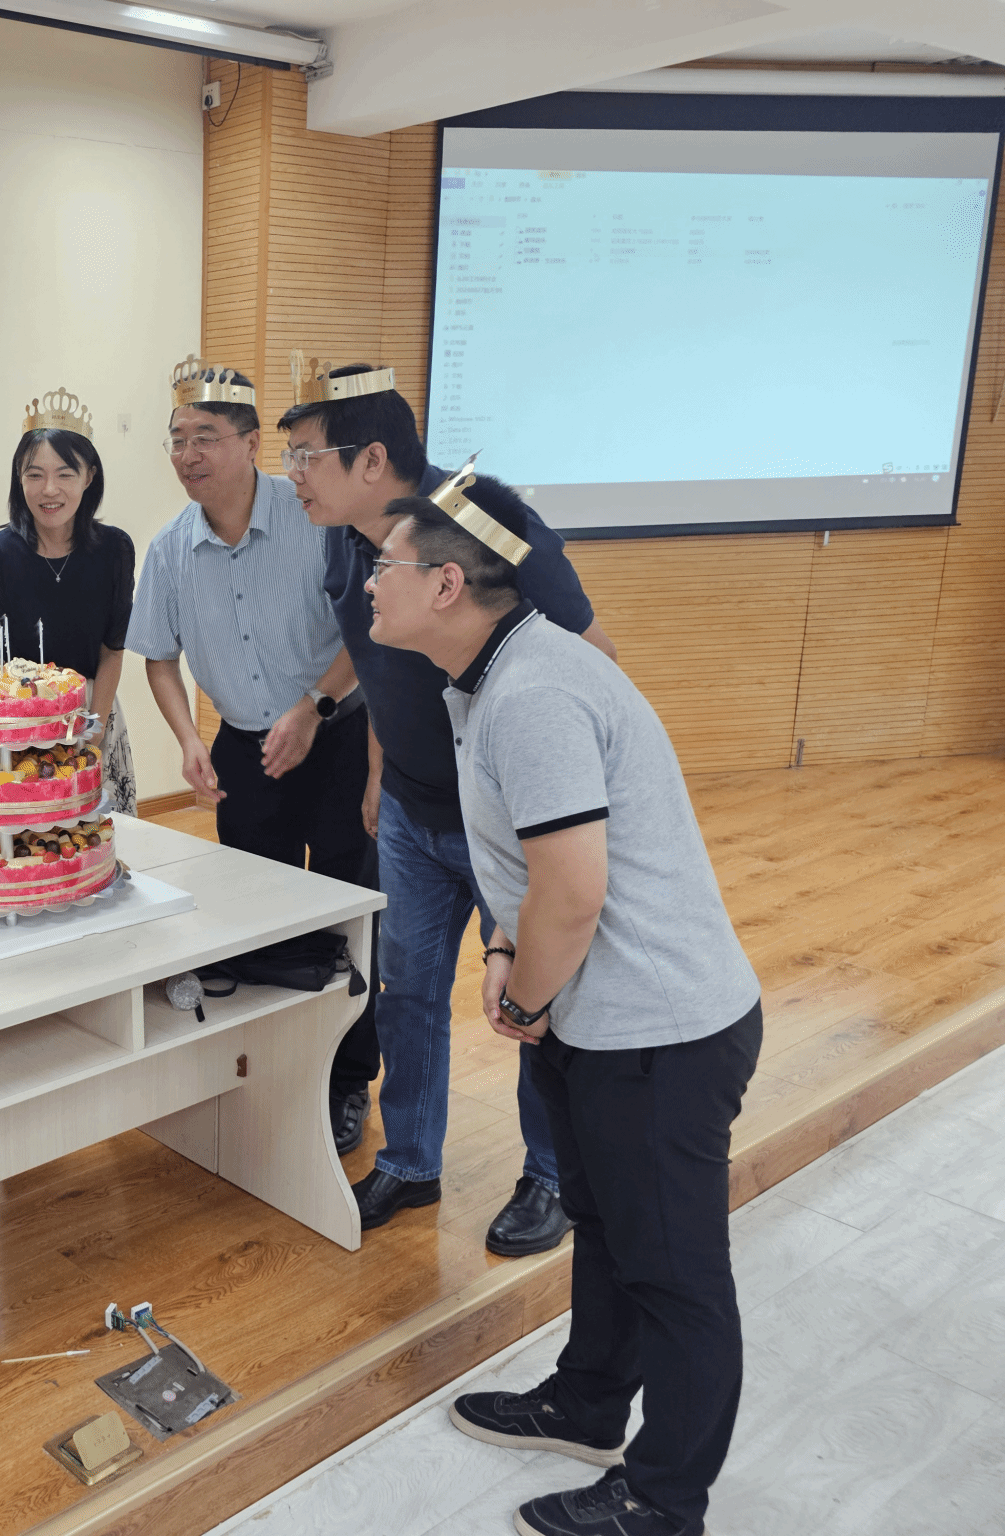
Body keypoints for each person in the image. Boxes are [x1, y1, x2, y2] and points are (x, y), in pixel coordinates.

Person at [367, 490, 762, 1536]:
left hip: (660, 1031)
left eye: (386, 565)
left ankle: (662, 1500)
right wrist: (506, 950)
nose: (368, 582)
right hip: (596, 1019)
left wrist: (524, 996)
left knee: (673, 1274)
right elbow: (527, 864)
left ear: (445, 585)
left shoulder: (533, 692)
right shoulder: (492, 675)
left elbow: (576, 890)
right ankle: (586, 1405)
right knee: (607, 1226)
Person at [282, 355, 618, 1256]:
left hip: (506, 818)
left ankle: (551, 1175)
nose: (294, 477)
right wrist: (377, 768)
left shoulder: (483, 529)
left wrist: (554, 809)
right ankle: (412, 1160)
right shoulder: (344, 535)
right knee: (408, 991)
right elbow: (382, 658)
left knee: (536, 997)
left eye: (306, 457)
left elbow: (591, 659)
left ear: (371, 461)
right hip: (410, 806)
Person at [124, 356, 379, 1154]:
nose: (188, 454)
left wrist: (313, 707)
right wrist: (188, 739)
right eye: (177, 438)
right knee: (261, 926)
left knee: (349, 918)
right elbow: (157, 657)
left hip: (335, 737)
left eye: (205, 436)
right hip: (244, 752)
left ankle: (348, 1080)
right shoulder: (170, 549)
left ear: (250, 442)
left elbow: (366, 633)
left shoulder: (314, 518)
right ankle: (274, 1072)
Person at [0, 388, 137, 812]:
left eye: (65, 474)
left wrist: (93, 730)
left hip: (94, 714)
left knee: (96, 838)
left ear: (89, 476)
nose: (49, 490)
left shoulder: (114, 550)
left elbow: (112, 650)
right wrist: (28, 732)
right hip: (18, 725)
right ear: (18, 477)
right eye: (34, 474)